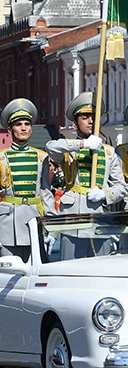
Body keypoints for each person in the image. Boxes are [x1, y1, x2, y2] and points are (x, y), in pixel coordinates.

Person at [45, 92, 127, 215]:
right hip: (71, 212)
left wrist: (105, 194)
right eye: (85, 118)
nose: (91, 121)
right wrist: (83, 144)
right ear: (75, 124)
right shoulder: (69, 149)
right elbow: (51, 147)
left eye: (94, 117)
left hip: (98, 212)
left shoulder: (108, 152)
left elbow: (122, 187)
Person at [0, 98, 54, 260]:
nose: (23, 128)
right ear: (10, 130)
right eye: (18, 124)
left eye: (27, 124)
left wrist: (52, 227)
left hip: (34, 221)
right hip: (8, 225)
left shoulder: (41, 157)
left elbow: (46, 194)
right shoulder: (2, 157)